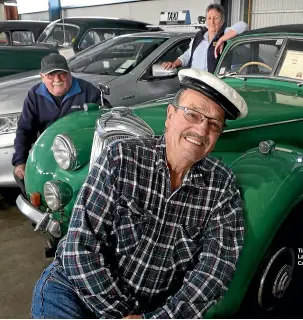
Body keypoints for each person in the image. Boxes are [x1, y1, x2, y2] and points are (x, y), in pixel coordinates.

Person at [31, 68, 247, 319]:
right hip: (73, 290)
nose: (201, 130)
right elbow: (80, 247)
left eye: (213, 124)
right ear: (169, 115)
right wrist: (124, 314)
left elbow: (214, 271)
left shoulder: (221, 186)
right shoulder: (120, 157)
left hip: (150, 312)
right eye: (192, 114)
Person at [12, 53, 107, 195]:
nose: (57, 79)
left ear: (69, 73)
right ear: (42, 77)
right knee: (25, 178)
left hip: (81, 153)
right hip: (47, 152)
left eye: (61, 74)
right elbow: (24, 130)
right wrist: (20, 161)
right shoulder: (34, 95)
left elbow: (106, 121)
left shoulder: (88, 91)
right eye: (51, 75)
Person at [162, 3, 247, 73]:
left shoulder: (225, 33)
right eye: (209, 18)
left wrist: (221, 39)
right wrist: (174, 64)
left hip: (213, 86)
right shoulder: (198, 37)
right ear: (206, 20)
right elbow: (187, 55)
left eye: (216, 18)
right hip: (195, 83)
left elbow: (243, 25)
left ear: (222, 22)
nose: (212, 22)